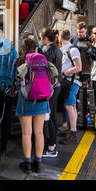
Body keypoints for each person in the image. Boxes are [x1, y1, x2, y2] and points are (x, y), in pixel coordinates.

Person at [15, 39, 50, 173]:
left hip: (26, 100)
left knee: (26, 133)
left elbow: (16, 79)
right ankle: (39, 163)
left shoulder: (19, 62)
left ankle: (28, 163)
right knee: (39, 132)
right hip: (42, 99)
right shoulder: (43, 60)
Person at [39, 28, 62, 157]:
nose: (40, 40)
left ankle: (51, 147)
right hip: (57, 85)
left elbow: (45, 70)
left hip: (50, 86)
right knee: (52, 115)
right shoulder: (58, 49)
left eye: (41, 38)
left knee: (49, 117)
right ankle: (53, 144)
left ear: (46, 39)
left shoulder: (47, 50)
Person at [58, 29, 82, 145]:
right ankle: (71, 130)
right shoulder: (65, 49)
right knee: (70, 106)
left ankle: (73, 134)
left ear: (60, 38)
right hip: (68, 82)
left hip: (72, 82)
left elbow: (78, 67)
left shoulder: (73, 50)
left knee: (70, 107)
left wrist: (64, 73)